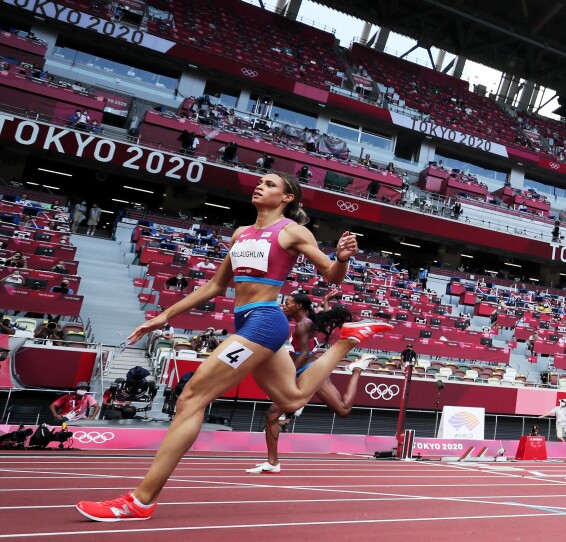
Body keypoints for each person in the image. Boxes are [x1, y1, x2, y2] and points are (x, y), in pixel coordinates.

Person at [76, 171, 393, 521]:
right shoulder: (242, 234)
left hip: (264, 322)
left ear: (288, 198)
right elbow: (214, 286)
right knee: (290, 398)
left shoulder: (292, 231)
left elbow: (331, 275)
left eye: (271, 184)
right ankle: (348, 340)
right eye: (260, 181)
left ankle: (140, 500)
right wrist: (163, 316)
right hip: (245, 321)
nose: (261, 185)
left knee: (191, 397)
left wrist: (343, 259)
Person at [247, 293, 371, 474]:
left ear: (298, 306)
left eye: (287, 303)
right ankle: (273, 462)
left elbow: (304, 353)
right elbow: (323, 316)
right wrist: (327, 301)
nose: (284, 306)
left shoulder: (303, 324)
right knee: (272, 415)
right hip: (301, 370)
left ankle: (357, 369)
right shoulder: (305, 322)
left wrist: (287, 378)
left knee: (343, 410)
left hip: (310, 370)